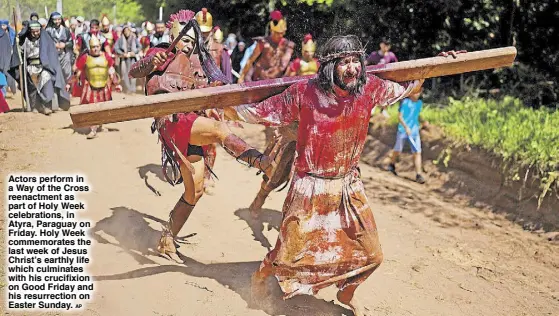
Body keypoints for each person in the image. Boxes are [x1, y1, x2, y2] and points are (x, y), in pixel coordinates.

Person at [223, 35, 457, 316]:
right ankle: (259, 277)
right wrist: (219, 104)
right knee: (288, 252)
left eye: (355, 62)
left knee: (372, 254)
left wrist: (439, 64)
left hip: (349, 185)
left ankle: (346, 293)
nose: (352, 68)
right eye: (344, 62)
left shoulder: (370, 88)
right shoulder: (303, 92)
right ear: (329, 67)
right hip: (309, 186)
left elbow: (408, 87)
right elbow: (260, 112)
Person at [128, 9, 276, 263]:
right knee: (219, 131)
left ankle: (166, 238)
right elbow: (135, 72)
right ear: (174, 33)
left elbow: (208, 90)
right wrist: (150, 63)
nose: (188, 45)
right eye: (185, 39)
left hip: (191, 121)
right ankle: (260, 161)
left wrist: (219, 90)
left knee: (194, 190)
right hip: (173, 121)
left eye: (193, 41)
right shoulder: (159, 52)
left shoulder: (198, 63)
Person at [70, 34, 121, 139]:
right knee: (92, 106)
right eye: (93, 47)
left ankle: (99, 125)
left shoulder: (106, 56)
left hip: (103, 85)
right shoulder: (85, 57)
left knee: (103, 106)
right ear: (90, 47)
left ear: (100, 46)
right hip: (90, 86)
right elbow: (78, 72)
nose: (95, 49)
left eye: (97, 46)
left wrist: (116, 84)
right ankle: (93, 129)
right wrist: (69, 83)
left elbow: (111, 70)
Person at [20, 20, 70, 114]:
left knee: (46, 83)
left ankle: (47, 106)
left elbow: (51, 53)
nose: (35, 33)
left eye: (37, 31)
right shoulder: (26, 40)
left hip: (44, 67)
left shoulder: (45, 38)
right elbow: (20, 51)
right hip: (30, 67)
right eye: (33, 32)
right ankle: (35, 106)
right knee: (33, 88)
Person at [387, 87, 427, 183]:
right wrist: (406, 127)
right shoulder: (405, 102)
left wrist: (423, 121)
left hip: (414, 131)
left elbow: (417, 115)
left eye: (419, 92)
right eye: (415, 92)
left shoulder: (419, 103)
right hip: (403, 130)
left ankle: (418, 174)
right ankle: (391, 164)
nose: (417, 94)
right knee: (398, 149)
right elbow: (400, 117)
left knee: (417, 152)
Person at [46, 12, 74, 83]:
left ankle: (67, 85)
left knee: (66, 71)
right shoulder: (48, 30)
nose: (57, 21)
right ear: (52, 20)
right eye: (55, 20)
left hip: (64, 54)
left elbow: (71, 42)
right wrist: (53, 45)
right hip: (53, 55)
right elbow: (45, 42)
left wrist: (65, 45)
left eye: (59, 19)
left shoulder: (66, 30)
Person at [114, 25, 138, 94]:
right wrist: (122, 53)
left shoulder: (134, 38)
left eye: (128, 31)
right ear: (123, 32)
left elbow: (139, 46)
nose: (126, 32)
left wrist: (134, 52)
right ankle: (128, 89)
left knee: (133, 74)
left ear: (130, 31)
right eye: (125, 31)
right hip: (124, 60)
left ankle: (133, 89)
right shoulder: (120, 39)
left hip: (132, 58)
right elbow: (116, 48)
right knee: (125, 74)